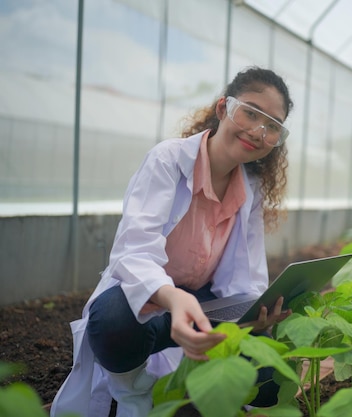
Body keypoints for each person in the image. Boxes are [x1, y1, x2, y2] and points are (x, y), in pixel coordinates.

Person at [50, 66, 294, 417]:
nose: (259, 131)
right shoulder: (168, 160)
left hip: (200, 306)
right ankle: (132, 390)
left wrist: (255, 314)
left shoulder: (250, 190)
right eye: (251, 113)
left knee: (269, 372)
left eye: (273, 126)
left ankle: (193, 394)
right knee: (114, 317)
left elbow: (244, 278)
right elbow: (132, 252)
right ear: (224, 108)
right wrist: (173, 297)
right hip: (154, 302)